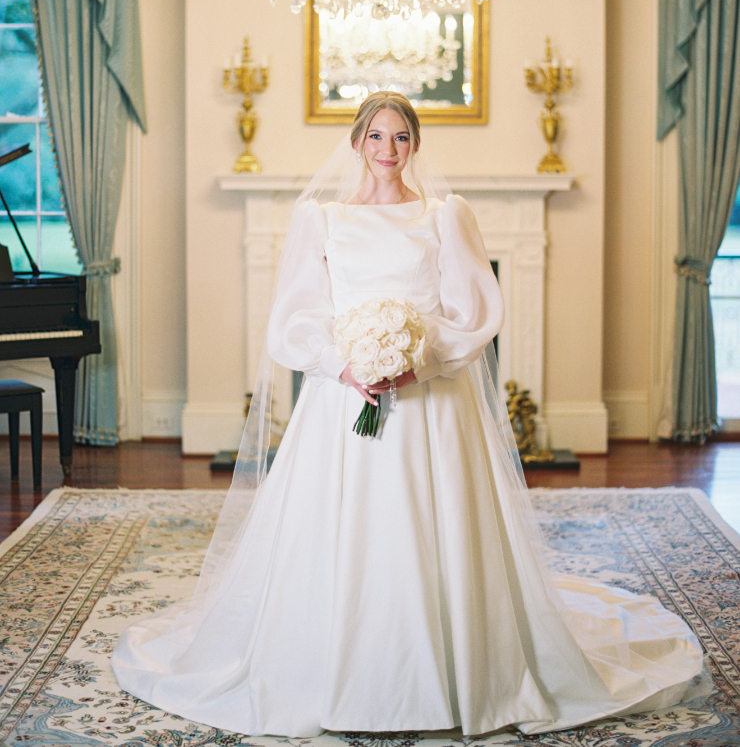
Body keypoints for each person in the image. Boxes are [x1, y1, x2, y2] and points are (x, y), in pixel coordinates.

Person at [112, 91, 705, 738]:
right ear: (358, 144)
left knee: (434, 525)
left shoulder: (445, 214)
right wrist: (348, 365)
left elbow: (472, 312)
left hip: (432, 403)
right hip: (344, 402)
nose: (388, 150)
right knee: (340, 531)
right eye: (376, 137)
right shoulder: (323, 219)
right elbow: (295, 317)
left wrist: (413, 362)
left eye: (400, 138)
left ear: (414, 145)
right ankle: (332, 668)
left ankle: (457, 672)